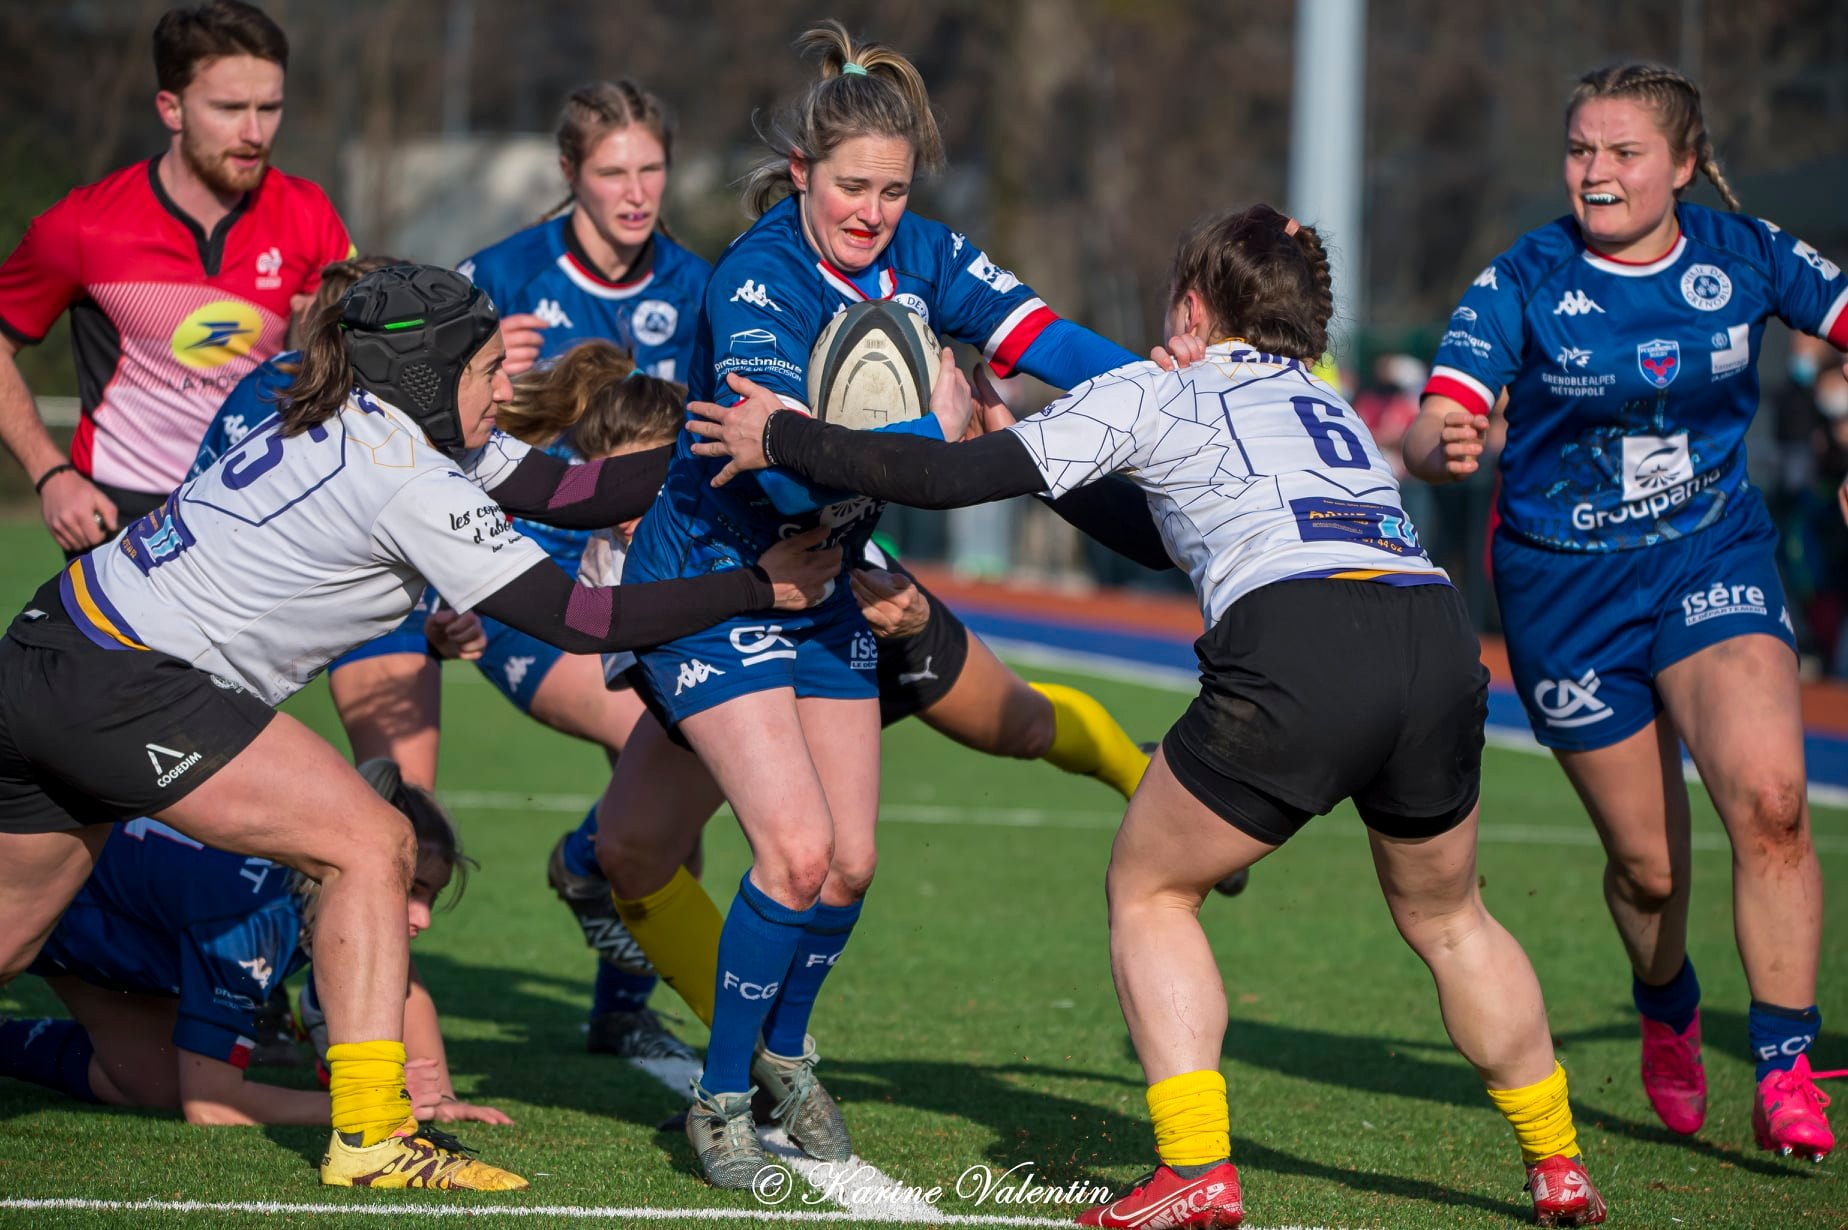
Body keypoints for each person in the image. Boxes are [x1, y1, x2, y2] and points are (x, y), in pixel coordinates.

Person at [687, 203, 1610, 1227]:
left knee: (1152, 889)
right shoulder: (1324, 399)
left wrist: (781, 432)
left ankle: (1196, 1169)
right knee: (1451, 919)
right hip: (1432, 638)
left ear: (1195, 302)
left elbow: (940, 481)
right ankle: (1557, 1158)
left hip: (1301, 642)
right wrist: (1025, 452)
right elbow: (1170, 529)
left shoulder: (1156, 387)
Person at [0, 263, 837, 1191]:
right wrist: (761, 587)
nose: (508, 386)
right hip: (130, 680)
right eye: (486, 369)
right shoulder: (407, 475)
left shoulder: (385, 422)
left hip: (48, 643)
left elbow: (570, 494)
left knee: (9, 942)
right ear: (430, 377)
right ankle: (369, 1138)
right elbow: (583, 621)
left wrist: (746, 448)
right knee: (370, 844)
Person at [607, 20, 1153, 1188]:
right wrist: (937, 426)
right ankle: (718, 1104)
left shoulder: (928, 255)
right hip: (715, 586)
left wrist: (1176, 382)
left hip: (830, 588)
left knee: (850, 864)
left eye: (892, 191)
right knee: (793, 853)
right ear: (801, 173)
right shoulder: (756, 277)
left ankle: (787, 1056)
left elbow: (1048, 336)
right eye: (850, 186)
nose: (871, 211)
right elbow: (791, 464)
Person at [1405, 62, 1846, 1162]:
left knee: (1774, 801)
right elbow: (1434, 418)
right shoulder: (1525, 276)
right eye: (1581, 152)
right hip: (1564, 589)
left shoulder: (1747, 254)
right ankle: (1668, 1001)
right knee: (1649, 869)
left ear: (1684, 166)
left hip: (1711, 554)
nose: (1595, 174)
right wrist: (1441, 445)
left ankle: (1788, 1064)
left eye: (1624, 153)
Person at [0, 0, 352, 557]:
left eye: (270, 107)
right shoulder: (82, 226)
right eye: (230, 107)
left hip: (257, 510)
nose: (255, 131)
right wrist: (51, 475)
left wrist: (324, 333)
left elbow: (356, 352)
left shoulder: (308, 213)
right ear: (171, 109)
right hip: (122, 520)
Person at [0, 760, 506, 1129]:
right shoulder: (256, 922)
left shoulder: (323, 881)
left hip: (98, 925)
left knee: (151, 1082)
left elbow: (402, 987)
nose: (422, 919)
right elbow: (213, 1107)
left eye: (430, 897)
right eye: (409, 891)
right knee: (190, 1086)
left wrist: (439, 1097)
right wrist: (379, 1103)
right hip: (32, 893)